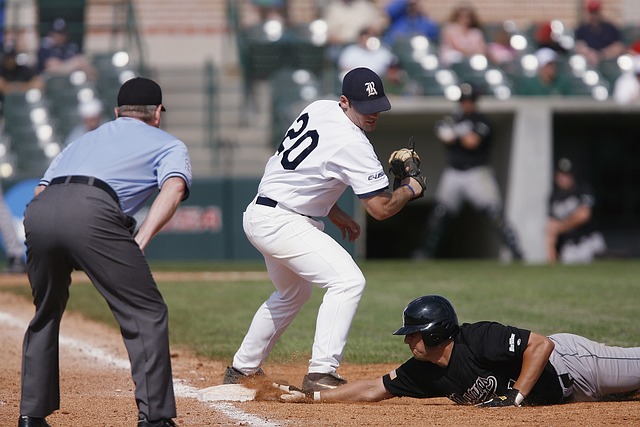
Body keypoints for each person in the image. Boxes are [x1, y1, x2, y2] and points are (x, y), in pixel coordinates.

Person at [224, 67, 425, 394]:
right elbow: (380, 209)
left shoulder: (318, 107)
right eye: (364, 106)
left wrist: (333, 210)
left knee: (294, 293)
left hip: (264, 211)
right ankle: (321, 371)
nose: (372, 113)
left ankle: (242, 369)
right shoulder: (354, 142)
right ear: (345, 101)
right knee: (348, 281)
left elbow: (302, 167)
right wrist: (410, 188)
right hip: (283, 221)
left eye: (377, 105)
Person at [18, 77, 192, 427]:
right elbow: (173, 188)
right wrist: (140, 239)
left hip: (40, 210)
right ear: (157, 113)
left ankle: (30, 415)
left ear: (117, 112)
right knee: (146, 311)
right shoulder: (169, 143)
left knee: (46, 311)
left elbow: (40, 191)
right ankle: (156, 418)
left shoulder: (82, 141)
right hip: (93, 209)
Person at [280, 295, 640, 405]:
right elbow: (374, 387)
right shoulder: (424, 370)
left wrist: (514, 396)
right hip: (567, 400)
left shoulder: (479, 337)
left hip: (574, 365)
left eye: (414, 334)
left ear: (436, 334)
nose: (408, 340)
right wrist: (314, 400)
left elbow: (542, 345)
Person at [412, 83, 523, 260]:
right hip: (454, 173)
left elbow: (472, 142)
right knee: (439, 214)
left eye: (470, 100)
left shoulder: (482, 120)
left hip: (477, 173)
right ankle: (425, 253)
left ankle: (517, 252)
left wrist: (454, 134)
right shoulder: (453, 119)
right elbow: (442, 134)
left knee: (494, 214)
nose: (466, 103)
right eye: (463, 100)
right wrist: (455, 134)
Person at [546, 158, 606, 264]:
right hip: (570, 246)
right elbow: (551, 226)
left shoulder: (582, 189)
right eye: (562, 175)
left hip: (589, 240)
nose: (565, 178)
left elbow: (584, 215)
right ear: (556, 176)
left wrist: (561, 227)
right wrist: (551, 251)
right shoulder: (554, 197)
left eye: (568, 175)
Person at [574, 0, 625, 67]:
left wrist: (602, 55)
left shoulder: (610, 28)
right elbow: (579, 46)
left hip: (609, 63)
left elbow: (619, 46)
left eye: (595, 12)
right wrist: (590, 54)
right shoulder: (582, 29)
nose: (594, 15)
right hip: (589, 63)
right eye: (592, 12)